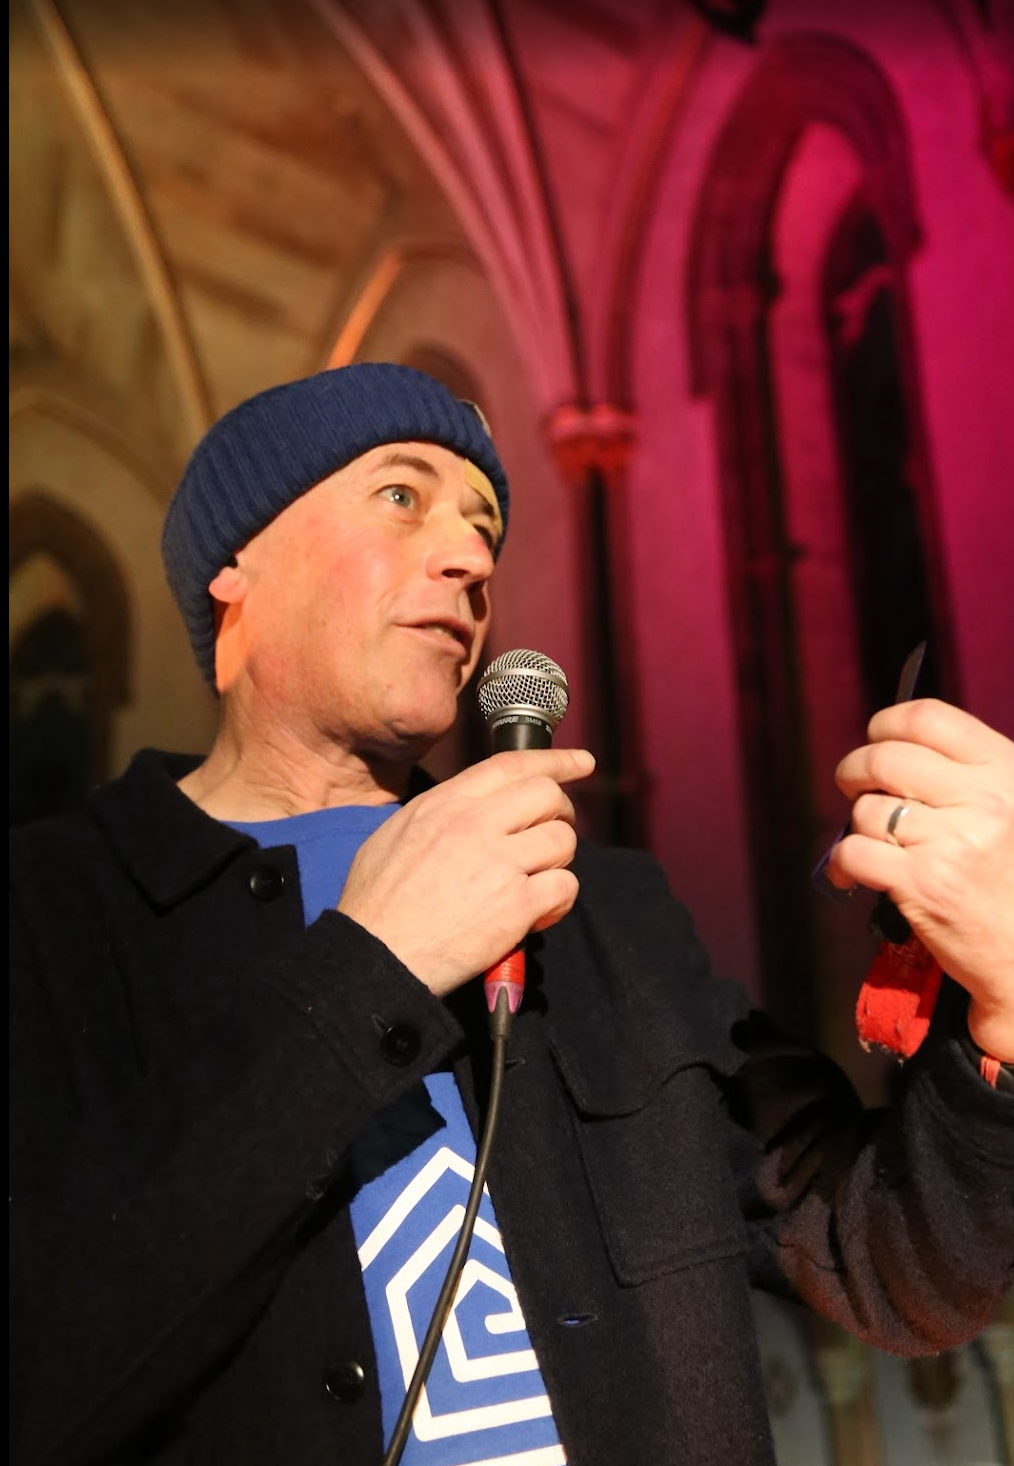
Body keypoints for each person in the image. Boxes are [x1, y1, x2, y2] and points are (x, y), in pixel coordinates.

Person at [9, 362, 1013, 1466]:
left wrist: (1002, 1015)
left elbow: (895, 1262)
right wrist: (371, 968)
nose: (473, 554)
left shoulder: (605, 915)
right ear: (232, 566)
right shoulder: (54, 915)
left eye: (485, 522)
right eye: (404, 495)